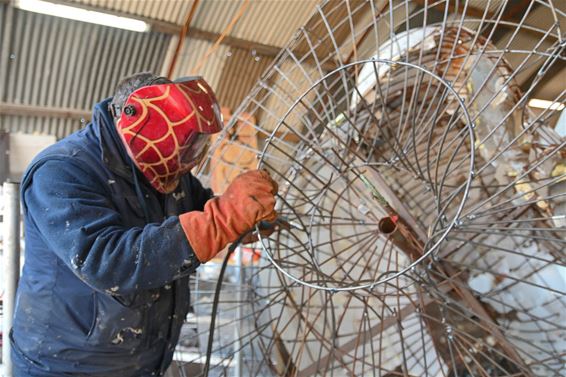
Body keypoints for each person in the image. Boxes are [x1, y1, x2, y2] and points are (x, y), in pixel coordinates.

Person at [10, 72, 279, 376]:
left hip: (142, 360)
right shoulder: (63, 171)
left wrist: (248, 218)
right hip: (64, 366)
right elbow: (107, 262)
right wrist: (224, 219)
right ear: (141, 124)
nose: (191, 158)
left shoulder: (163, 166)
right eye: (188, 145)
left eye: (197, 145)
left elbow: (203, 210)